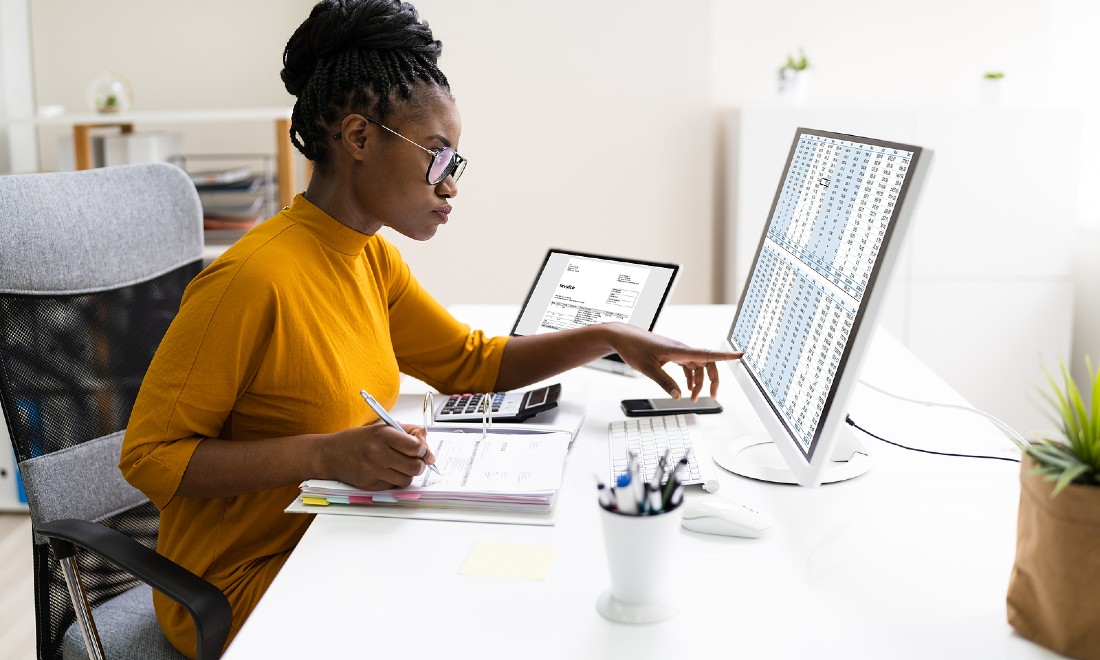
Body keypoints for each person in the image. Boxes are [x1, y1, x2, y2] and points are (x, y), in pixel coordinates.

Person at [119, 0, 741, 655]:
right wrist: (326, 455)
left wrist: (609, 334)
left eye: (456, 165)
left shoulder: (371, 258)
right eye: (438, 158)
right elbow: (150, 459)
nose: (450, 187)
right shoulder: (251, 280)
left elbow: (472, 365)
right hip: (245, 587)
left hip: (338, 540)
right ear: (358, 139)